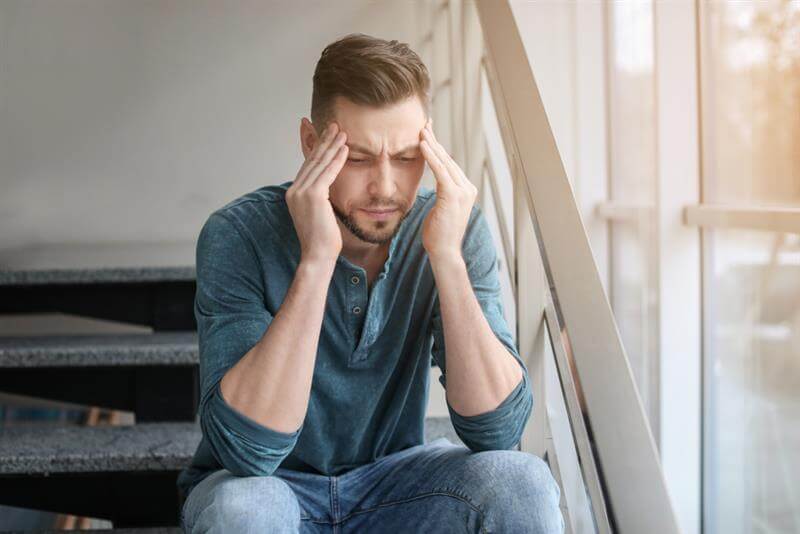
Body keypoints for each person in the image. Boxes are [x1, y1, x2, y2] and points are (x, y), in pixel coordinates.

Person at [177, 32, 564, 533]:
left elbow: (497, 429)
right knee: (243, 512)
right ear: (311, 144)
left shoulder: (452, 226)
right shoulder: (237, 235)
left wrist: (446, 256)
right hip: (270, 487)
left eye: (405, 158)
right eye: (358, 158)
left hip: (396, 487)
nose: (385, 186)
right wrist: (317, 259)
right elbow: (248, 451)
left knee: (522, 483)